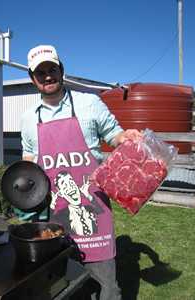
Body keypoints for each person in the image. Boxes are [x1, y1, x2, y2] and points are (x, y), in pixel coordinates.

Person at [20, 45, 142, 300]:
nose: (47, 76)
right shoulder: (28, 118)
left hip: (94, 204)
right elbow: (29, 159)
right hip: (53, 213)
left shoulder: (89, 103)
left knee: (106, 285)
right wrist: (24, 192)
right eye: (40, 72)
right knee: (62, 283)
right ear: (33, 79)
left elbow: (113, 133)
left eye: (52, 69)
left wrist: (124, 136)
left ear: (61, 70)